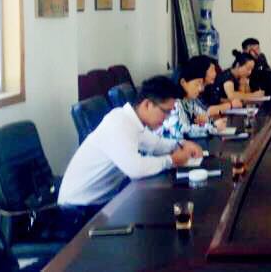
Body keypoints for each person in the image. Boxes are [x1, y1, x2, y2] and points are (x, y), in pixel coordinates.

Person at [57, 76, 203, 224]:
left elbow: (155, 144)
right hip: (77, 212)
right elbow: (136, 168)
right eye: (165, 112)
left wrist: (181, 143)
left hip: (103, 203)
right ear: (147, 104)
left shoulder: (132, 122)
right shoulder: (118, 123)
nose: (167, 118)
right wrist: (172, 160)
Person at [162, 56, 229, 139]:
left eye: (201, 84)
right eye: (197, 84)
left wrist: (213, 121)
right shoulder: (174, 104)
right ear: (183, 82)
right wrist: (213, 127)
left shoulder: (190, 101)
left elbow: (204, 116)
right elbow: (183, 131)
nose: (201, 89)